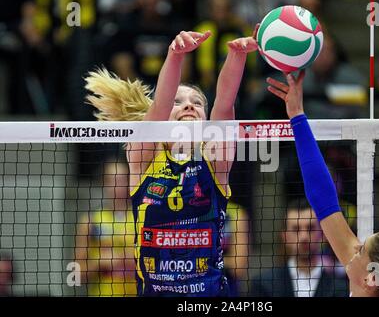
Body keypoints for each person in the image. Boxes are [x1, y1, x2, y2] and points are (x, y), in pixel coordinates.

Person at [85, 27, 258, 296]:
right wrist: (175, 55)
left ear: (205, 119)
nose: (189, 106)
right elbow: (159, 106)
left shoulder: (215, 160)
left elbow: (224, 106)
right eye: (178, 102)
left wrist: (237, 56)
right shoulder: (143, 156)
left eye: (197, 102)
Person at [266, 70, 379, 296]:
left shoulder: (362, 272)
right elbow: (321, 196)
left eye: (361, 250)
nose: (353, 248)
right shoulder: (366, 274)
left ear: (370, 278)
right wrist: (297, 115)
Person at [249, 199, 348, 297]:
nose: (304, 237)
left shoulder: (342, 287)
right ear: (285, 237)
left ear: (322, 234)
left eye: (310, 228)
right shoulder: (263, 285)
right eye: (296, 229)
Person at [75, 160, 136, 296]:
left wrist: (134, 259)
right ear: (104, 184)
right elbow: (74, 276)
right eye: (112, 180)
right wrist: (100, 263)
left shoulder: (141, 218)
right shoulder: (91, 222)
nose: (118, 186)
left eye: (122, 180)